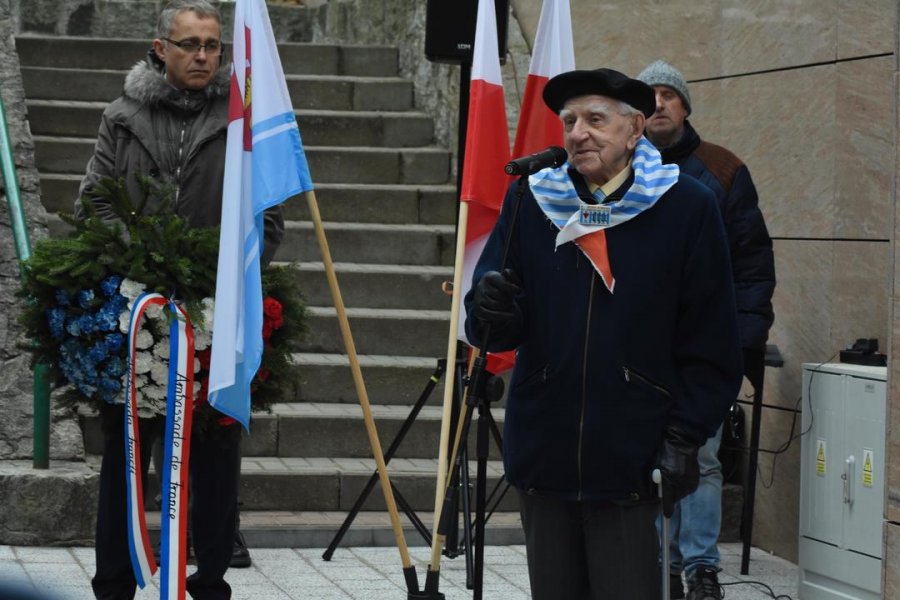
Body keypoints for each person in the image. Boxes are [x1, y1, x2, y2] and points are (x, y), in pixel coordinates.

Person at [464, 67, 743, 600]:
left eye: (595, 119)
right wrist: (492, 309)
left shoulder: (685, 206)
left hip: (635, 454)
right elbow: (490, 326)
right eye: (569, 121)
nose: (577, 133)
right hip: (545, 446)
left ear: (635, 128)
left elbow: (711, 342)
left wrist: (685, 435)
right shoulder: (532, 200)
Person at [75, 1, 283, 598]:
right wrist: (144, 262)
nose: (202, 55)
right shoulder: (122, 115)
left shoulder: (242, 119)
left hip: (217, 307)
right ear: (160, 48)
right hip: (138, 309)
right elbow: (96, 201)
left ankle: (211, 577)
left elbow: (266, 218)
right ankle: (115, 580)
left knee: (216, 450)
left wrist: (224, 277)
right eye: (189, 43)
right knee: (126, 452)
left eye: (212, 45)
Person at [637, 60, 776, 600]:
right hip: (641, 349)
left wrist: (743, 341)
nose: (659, 103)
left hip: (706, 349)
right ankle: (655, 563)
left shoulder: (722, 169)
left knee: (703, 455)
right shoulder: (619, 169)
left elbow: (753, 263)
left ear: (686, 107)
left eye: (669, 94)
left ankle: (699, 568)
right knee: (644, 458)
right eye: (649, 95)